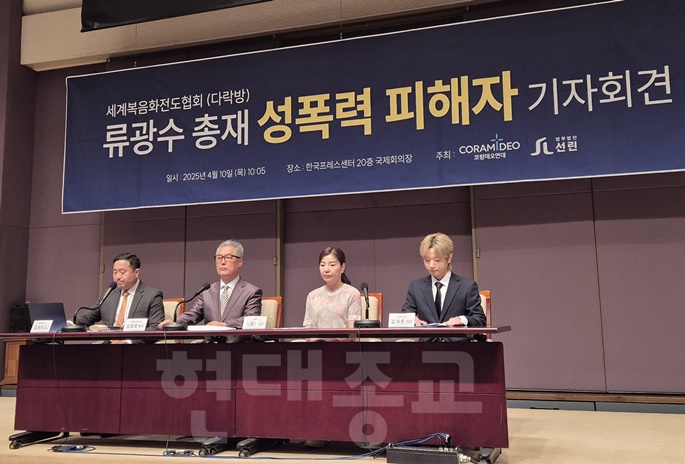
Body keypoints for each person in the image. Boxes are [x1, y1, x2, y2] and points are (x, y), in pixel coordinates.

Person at [158, 239, 262, 332]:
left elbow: (251, 320)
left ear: (240, 262)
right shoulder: (207, 291)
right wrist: (174, 323)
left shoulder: (251, 292)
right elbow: (194, 314)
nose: (222, 262)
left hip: (237, 344)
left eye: (228, 257)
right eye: (219, 258)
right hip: (210, 343)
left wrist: (226, 325)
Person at [402, 232, 486, 341]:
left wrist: (462, 320)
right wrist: (411, 319)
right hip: (426, 347)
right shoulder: (416, 287)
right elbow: (405, 314)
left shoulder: (467, 286)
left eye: (437, 260)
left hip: (458, 348)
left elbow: (480, 319)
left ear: (449, 258)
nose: (431, 265)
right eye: (427, 260)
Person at [76, 252, 165, 330]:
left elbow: (155, 326)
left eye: (122, 272)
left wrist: (129, 341)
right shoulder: (109, 294)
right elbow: (88, 317)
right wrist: (71, 323)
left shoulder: (152, 296)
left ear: (136, 273)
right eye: (115, 272)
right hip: (109, 342)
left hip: (134, 342)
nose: (117, 277)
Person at [302, 246, 361, 341]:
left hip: (344, 347)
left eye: (332, 265)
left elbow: (352, 332)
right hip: (317, 346)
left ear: (342, 267)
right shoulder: (312, 296)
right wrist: (315, 341)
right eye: (322, 265)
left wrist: (330, 341)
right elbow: (308, 330)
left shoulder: (352, 293)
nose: (326, 269)